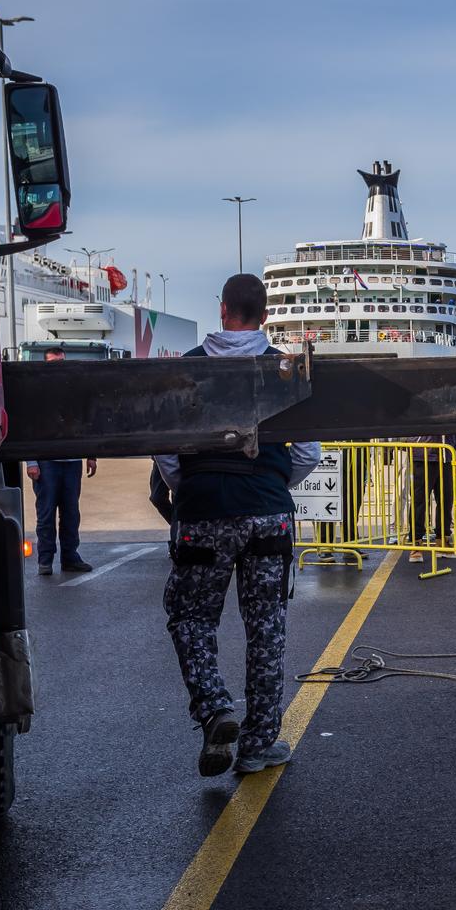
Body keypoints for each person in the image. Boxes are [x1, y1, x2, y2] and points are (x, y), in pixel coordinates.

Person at [153, 275, 321, 778]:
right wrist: (271, 484)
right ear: (265, 316)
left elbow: (166, 450)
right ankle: (257, 745)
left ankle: (214, 708)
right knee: (266, 629)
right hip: (268, 516)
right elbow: (309, 453)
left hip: (202, 513)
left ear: (222, 310)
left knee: (191, 618)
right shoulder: (285, 370)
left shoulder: (188, 368)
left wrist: (191, 487)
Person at [27, 347, 96, 575]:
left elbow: (85, 424)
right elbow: (30, 429)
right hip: (47, 463)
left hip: (72, 462)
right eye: (53, 363)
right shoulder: (37, 393)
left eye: (62, 362)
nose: (59, 367)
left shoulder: (74, 391)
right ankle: (45, 561)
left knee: (71, 514)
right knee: (46, 513)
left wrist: (91, 455)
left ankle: (70, 558)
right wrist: (31, 462)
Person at [402, 433, 456, 562]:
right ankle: (416, 543)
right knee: (419, 501)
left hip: (446, 455)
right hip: (422, 454)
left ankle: (443, 539)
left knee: (446, 499)